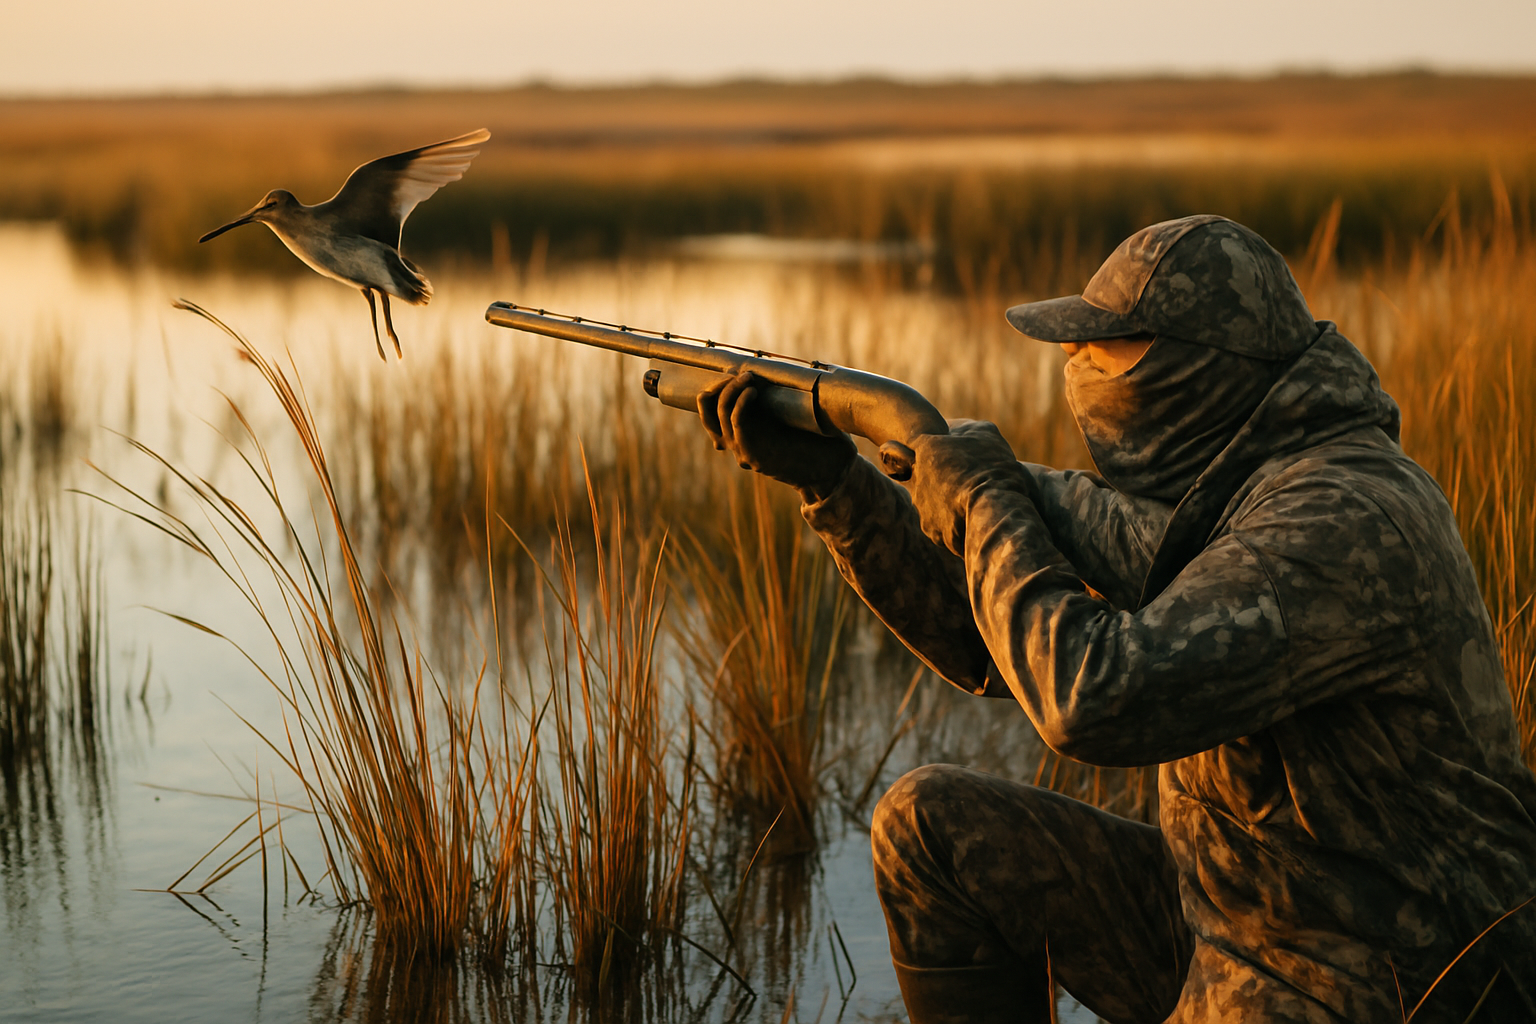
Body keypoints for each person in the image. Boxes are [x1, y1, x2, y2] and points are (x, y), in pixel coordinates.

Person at [696, 215, 1536, 1023]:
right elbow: (994, 649)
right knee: (929, 828)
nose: (1075, 363)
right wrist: (839, 490)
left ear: (1197, 367)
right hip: (1234, 909)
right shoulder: (1223, 492)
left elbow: (1089, 698)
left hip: (1382, 965)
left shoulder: (1338, 516)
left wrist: (988, 498)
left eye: (1105, 346)